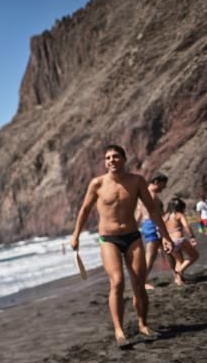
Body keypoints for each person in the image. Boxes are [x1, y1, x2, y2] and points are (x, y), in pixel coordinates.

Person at [71, 145, 173, 349]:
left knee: (139, 283)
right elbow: (85, 210)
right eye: (107, 158)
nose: (111, 160)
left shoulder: (136, 181)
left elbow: (152, 210)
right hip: (108, 239)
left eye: (116, 156)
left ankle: (143, 324)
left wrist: (166, 236)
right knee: (117, 282)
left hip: (133, 237)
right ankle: (119, 331)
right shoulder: (97, 183)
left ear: (124, 159)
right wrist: (76, 236)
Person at [136, 173, 168, 290]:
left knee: (163, 252)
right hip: (152, 225)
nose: (164, 188)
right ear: (156, 182)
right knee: (150, 255)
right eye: (163, 185)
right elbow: (156, 214)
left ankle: (177, 275)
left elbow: (139, 213)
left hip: (147, 225)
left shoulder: (143, 194)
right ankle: (142, 282)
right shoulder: (152, 195)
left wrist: (134, 228)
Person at [164, 198, 199, 286]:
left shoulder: (165, 216)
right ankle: (179, 271)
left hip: (169, 241)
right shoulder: (178, 215)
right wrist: (192, 236)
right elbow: (186, 226)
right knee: (194, 255)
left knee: (179, 260)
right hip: (179, 239)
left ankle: (178, 281)